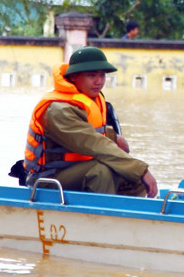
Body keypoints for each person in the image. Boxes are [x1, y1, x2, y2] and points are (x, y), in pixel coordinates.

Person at [22, 46, 158, 198]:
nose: (99, 81)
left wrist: (113, 137)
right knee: (101, 172)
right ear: (73, 76)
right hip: (49, 178)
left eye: (102, 75)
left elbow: (94, 132)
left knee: (133, 178)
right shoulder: (58, 110)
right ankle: (102, 218)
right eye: (91, 75)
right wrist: (140, 169)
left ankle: (130, 217)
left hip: (78, 168)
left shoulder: (92, 99)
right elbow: (91, 141)